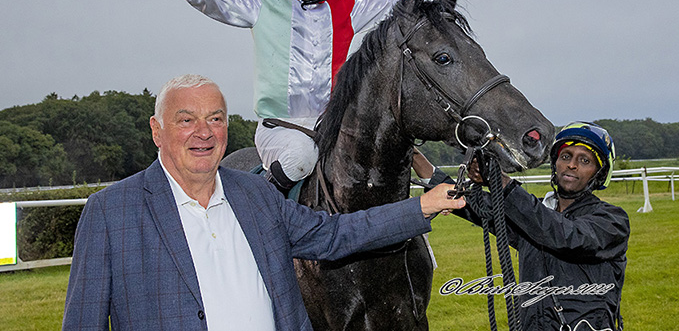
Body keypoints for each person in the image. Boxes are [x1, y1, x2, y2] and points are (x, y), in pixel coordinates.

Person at [62, 74, 466, 331]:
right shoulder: (109, 212)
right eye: (187, 120)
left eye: (216, 118)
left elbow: (335, 234)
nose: (204, 132)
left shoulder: (255, 193)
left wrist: (424, 206)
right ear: (157, 130)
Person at [144, 0, 463, 192]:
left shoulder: (346, 10)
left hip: (334, 125)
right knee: (301, 159)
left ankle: (422, 231)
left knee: (389, 148)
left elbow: (400, 0)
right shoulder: (260, 5)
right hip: (282, 130)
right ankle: (258, 212)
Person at [453, 121, 629, 331]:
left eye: (585, 160)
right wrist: (419, 163)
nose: (572, 165)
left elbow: (566, 236)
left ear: (598, 173)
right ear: (555, 164)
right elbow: (476, 204)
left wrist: (502, 183)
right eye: (566, 156)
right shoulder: (534, 215)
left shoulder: (613, 220)